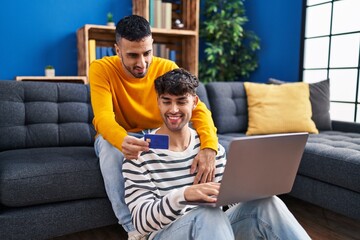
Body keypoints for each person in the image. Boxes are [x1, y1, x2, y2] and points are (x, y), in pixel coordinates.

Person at [123, 68, 311, 240]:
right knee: (207, 213)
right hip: (166, 234)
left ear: (194, 102)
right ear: (158, 102)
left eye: (181, 102)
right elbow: (141, 222)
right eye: (166, 102)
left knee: (268, 203)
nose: (173, 110)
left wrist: (251, 189)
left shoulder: (211, 151)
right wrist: (184, 195)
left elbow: (229, 203)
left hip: (214, 231)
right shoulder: (140, 153)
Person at [89, 15, 218, 240]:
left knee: (190, 140)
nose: (142, 63)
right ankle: (134, 230)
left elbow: (198, 109)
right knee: (110, 150)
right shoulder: (101, 68)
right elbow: (103, 118)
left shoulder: (166, 66)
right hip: (120, 135)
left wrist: (210, 146)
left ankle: (179, 216)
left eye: (147, 53)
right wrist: (121, 140)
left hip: (155, 136)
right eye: (132, 55)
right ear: (117, 50)